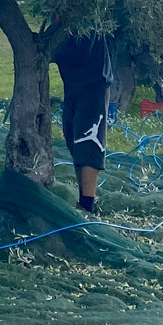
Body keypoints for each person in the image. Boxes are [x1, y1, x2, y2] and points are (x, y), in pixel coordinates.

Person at [52, 29, 113, 214]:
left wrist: (48, 51)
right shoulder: (60, 19)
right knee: (74, 142)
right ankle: (83, 199)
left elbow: (80, 52)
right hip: (72, 87)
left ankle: (87, 206)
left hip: (92, 85)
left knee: (87, 143)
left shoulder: (86, 19)